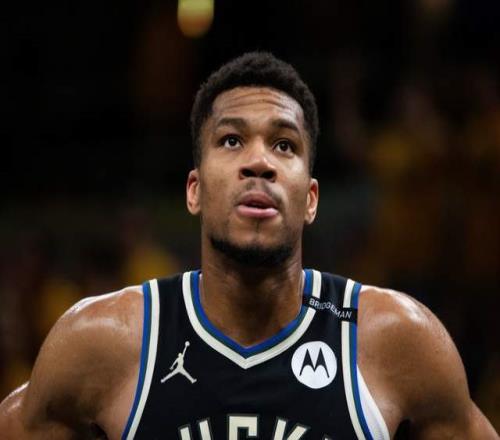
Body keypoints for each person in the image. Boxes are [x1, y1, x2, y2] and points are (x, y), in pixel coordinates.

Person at [0, 52, 497, 440]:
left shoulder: (395, 339)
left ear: (311, 199)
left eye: (284, 145)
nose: (259, 162)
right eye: (232, 140)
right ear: (194, 189)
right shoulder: (106, 341)